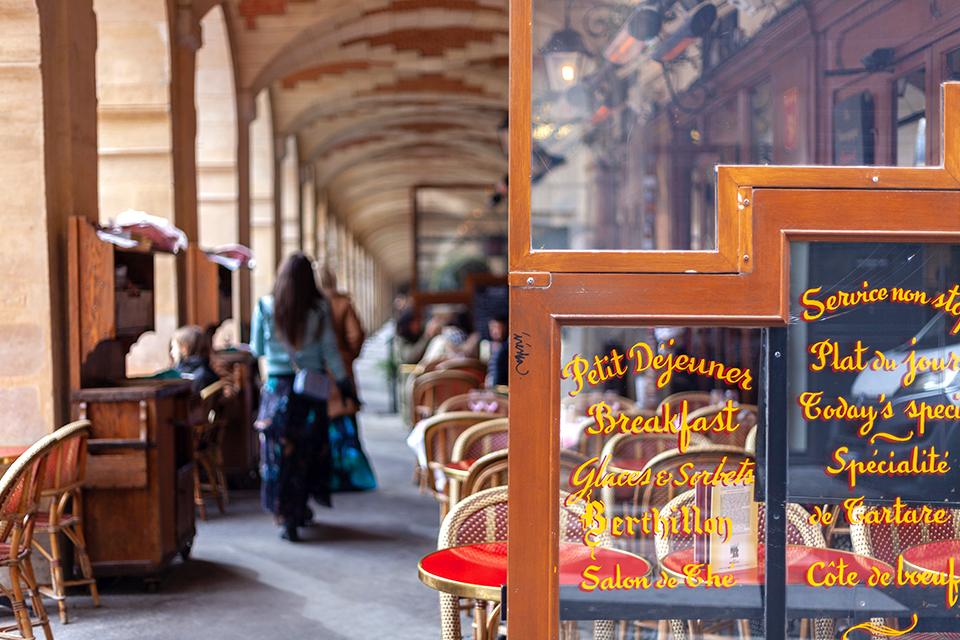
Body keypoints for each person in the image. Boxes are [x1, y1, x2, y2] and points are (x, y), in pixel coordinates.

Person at [250, 253, 355, 541]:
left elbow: (256, 349)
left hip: (277, 391)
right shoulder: (319, 309)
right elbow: (330, 352)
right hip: (309, 391)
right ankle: (301, 508)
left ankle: (284, 515)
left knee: (278, 455)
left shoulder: (264, 306)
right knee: (306, 454)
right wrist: (344, 385)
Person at [319, 266, 376, 492]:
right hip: (341, 371)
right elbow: (356, 335)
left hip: (319, 372)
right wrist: (347, 356)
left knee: (324, 426)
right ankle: (353, 476)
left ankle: (328, 477)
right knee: (346, 425)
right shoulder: (343, 303)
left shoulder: (312, 305)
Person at [170, 325, 219, 394]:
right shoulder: (206, 370)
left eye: (173, 347)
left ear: (184, 348)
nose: (171, 352)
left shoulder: (193, 376)